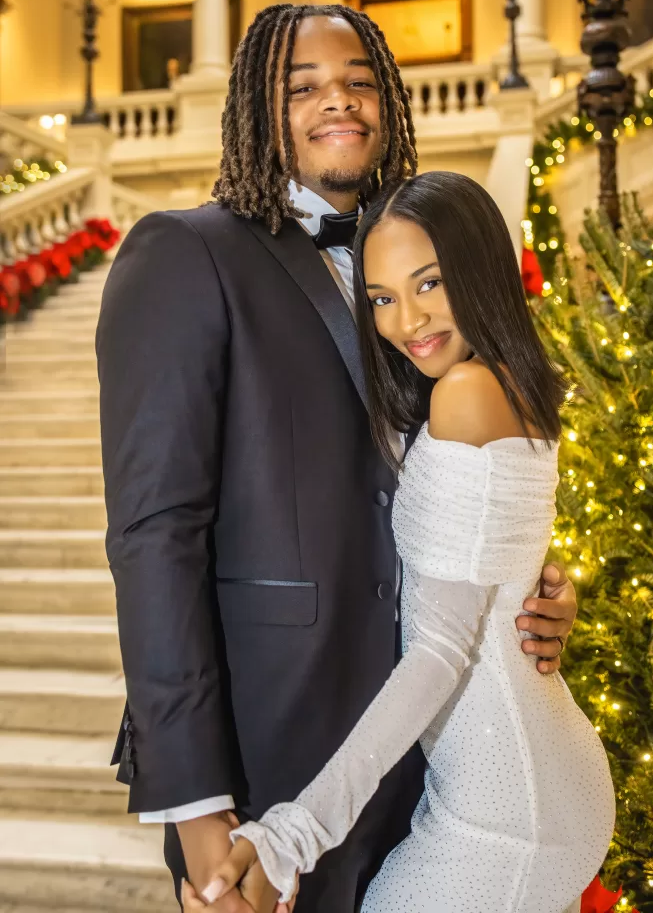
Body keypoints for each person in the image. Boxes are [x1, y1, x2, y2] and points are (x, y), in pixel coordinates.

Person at [96, 4, 579, 913]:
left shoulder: (422, 259)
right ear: (257, 107)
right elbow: (155, 537)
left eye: (359, 78)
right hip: (273, 749)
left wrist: (530, 583)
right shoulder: (184, 254)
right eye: (303, 85)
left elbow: (457, 478)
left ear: (388, 98)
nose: (339, 101)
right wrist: (199, 804)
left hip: (429, 751)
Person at [194, 172, 615, 913]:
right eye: (382, 297)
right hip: (511, 779)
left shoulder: (467, 392)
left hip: (509, 809)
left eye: (429, 284)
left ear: (479, 267)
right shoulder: (501, 380)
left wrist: (295, 834)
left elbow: (441, 652)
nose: (403, 320)